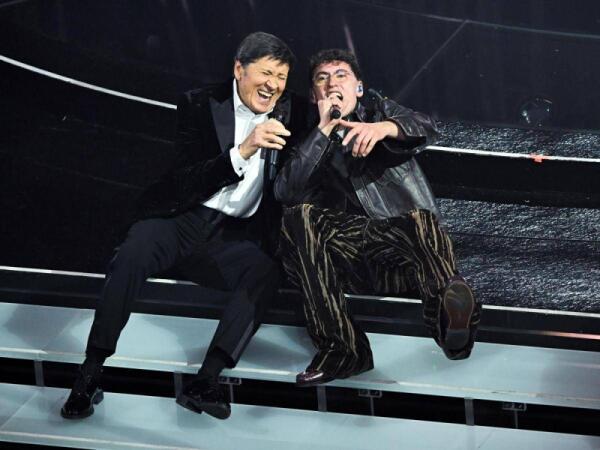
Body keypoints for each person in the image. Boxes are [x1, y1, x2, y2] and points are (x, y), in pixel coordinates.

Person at [61, 31, 305, 420]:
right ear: (239, 69)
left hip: (229, 238)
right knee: (132, 254)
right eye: (267, 72)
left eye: (282, 77)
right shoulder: (199, 104)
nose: (274, 85)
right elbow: (185, 180)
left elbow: (338, 115)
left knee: (267, 270)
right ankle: (89, 375)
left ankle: (206, 381)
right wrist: (244, 149)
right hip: (179, 220)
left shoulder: (292, 111)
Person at [274, 49, 481, 387]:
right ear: (314, 95)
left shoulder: (379, 111)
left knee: (420, 220)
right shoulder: (307, 137)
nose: (332, 83)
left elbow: (427, 126)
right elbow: (286, 190)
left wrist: (385, 127)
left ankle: (450, 324)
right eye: (322, 78)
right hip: (348, 262)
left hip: (399, 257)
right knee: (299, 217)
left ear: (358, 87)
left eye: (341, 75)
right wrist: (323, 131)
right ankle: (344, 350)